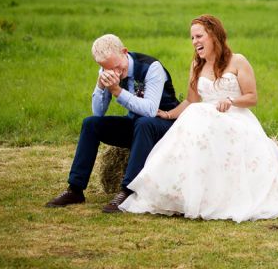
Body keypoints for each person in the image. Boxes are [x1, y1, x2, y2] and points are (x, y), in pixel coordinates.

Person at [119, 14, 278, 222]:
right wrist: (169, 114)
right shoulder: (196, 66)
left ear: (214, 35)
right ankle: (179, 192)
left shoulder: (238, 61)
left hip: (235, 119)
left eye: (199, 36)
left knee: (200, 115)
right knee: (196, 113)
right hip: (205, 120)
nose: (195, 42)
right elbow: (191, 101)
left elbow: (252, 97)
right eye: (192, 38)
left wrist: (231, 100)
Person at [46, 34, 179, 213]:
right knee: (91, 123)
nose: (115, 73)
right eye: (107, 68)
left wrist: (117, 91)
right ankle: (75, 189)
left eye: (117, 67)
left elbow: (149, 109)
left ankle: (127, 191)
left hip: (164, 126)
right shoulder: (107, 69)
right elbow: (98, 112)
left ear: (124, 52)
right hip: (137, 126)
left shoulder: (151, 67)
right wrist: (101, 87)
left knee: (144, 123)